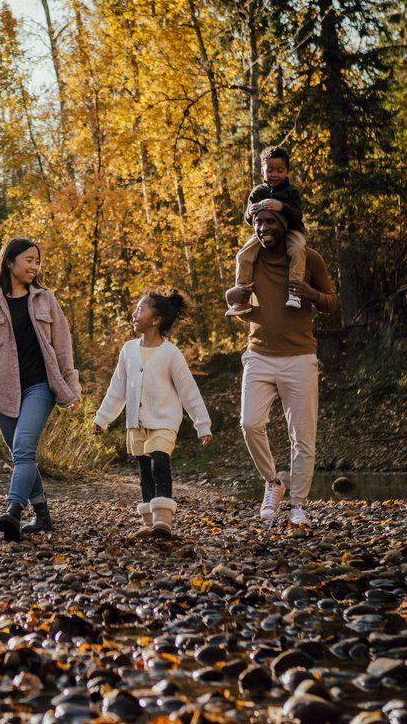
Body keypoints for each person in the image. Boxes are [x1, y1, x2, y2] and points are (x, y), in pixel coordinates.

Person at [224, 206, 339, 526]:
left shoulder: (308, 259)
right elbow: (240, 306)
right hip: (258, 354)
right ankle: (273, 483)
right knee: (250, 423)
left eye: (270, 221)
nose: (263, 228)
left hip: (300, 357)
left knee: (302, 437)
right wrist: (229, 296)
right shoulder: (249, 258)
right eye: (258, 222)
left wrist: (310, 293)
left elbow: (331, 301)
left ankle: (298, 505)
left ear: (284, 225)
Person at [0, 238, 82, 541]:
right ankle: (43, 515)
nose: (35, 266)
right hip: (6, 393)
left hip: (40, 387)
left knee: (23, 452)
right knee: (23, 457)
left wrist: (71, 387)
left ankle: (13, 511)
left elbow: (62, 348)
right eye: (29, 260)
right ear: (9, 262)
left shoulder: (46, 299)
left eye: (38, 261)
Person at [93, 289, 212, 538]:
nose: (134, 313)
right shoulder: (128, 350)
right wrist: (103, 418)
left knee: (160, 462)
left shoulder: (171, 353)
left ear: (156, 320)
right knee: (144, 471)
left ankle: (163, 521)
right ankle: (149, 522)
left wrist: (202, 424)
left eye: (141, 309)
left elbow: (188, 390)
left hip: (164, 420)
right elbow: (117, 389)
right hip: (136, 423)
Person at [227, 145, 308, 315]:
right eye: (270, 170)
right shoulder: (258, 192)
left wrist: (281, 206)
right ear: (262, 171)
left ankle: (294, 291)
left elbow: (297, 215)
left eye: (280, 170)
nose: (274, 174)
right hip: (264, 233)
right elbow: (249, 219)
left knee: (298, 250)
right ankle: (243, 296)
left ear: (286, 172)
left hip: (291, 230)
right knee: (243, 255)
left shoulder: (291, 191)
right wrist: (249, 212)